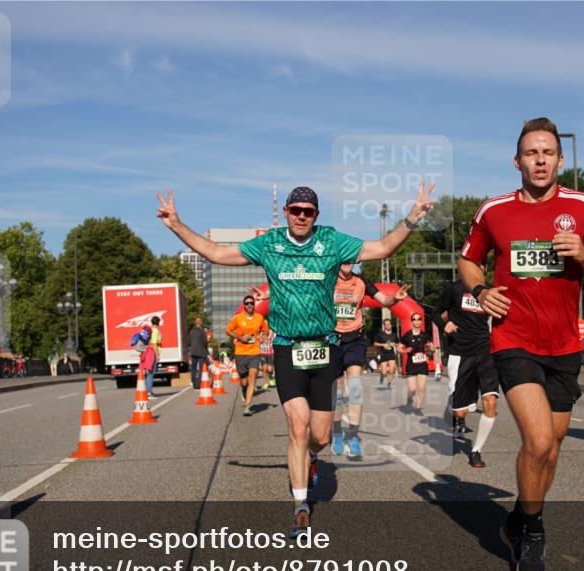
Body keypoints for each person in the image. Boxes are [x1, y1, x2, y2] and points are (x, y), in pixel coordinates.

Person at [157, 183, 434, 537]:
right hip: (288, 348)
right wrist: (177, 224)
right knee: (298, 426)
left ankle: (314, 458)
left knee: (319, 435)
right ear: (286, 211)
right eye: (296, 210)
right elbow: (216, 254)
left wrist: (413, 216)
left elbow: (382, 248)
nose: (302, 216)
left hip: (325, 348)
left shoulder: (332, 242)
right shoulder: (269, 244)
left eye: (309, 211)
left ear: (316, 215)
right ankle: (300, 505)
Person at [458, 117, 584, 571]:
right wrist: (482, 289)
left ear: (560, 159)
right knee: (538, 441)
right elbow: (469, 260)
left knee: (551, 451)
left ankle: (516, 520)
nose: (541, 160)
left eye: (548, 152)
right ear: (517, 161)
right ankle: (533, 533)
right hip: (513, 337)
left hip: (566, 343)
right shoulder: (494, 211)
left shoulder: (582, 206)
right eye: (531, 153)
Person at [330, 263, 409, 460]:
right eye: (345, 258)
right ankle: (337, 431)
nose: (348, 262)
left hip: (355, 340)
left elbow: (384, 299)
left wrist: (394, 299)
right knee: (338, 393)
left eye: (352, 259)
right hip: (332, 340)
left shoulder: (361, 281)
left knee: (355, 387)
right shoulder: (328, 277)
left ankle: (353, 435)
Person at [437, 272, 500, 468]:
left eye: (481, 266)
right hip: (460, 353)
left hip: (485, 352)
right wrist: (444, 324)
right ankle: (454, 410)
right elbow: (436, 312)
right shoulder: (454, 288)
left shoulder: (491, 292)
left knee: (490, 401)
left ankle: (476, 451)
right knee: (460, 412)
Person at [226, 296, 270, 416]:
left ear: (254, 305)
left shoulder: (259, 318)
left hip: (254, 352)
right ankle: (244, 391)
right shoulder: (238, 318)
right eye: (247, 303)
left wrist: (263, 335)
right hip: (240, 353)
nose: (250, 305)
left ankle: (247, 406)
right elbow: (228, 330)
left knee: (253, 375)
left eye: (252, 303)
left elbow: (265, 330)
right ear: (244, 305)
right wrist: (240, 337)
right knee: (244, 382)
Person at [397, 312, 433, 416]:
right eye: (414, 319)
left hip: (422, 364)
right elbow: (399, 348)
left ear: (421, 321)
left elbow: (431, 347)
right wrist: (405, 351)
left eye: (419, 319)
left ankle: (418, 408)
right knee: (412, 389)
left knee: (421, 388)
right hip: (411, 365)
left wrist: (431, 349)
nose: (417, 321)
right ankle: (409, 398)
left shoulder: (425, 335)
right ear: (412, 321)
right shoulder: (407, 336)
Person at [373, 318, 400, 387]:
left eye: (389, 324)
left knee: (392, 370)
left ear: (391, 325)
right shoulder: (380, 334)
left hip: (391, 353)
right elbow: (375, 343)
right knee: (384, 372)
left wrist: (394, 344)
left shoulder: (394, 335)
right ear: (384, 325)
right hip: (383, 353)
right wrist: (383, 345)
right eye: (386, 324)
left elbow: (398, 343)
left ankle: (389, 384)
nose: (388, 325)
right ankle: (382, 376)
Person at [137, 324, 158, 398]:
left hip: (149, 356)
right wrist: (148, 348)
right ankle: (148, 393)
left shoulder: (143, 338)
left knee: (149, 374)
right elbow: (138, 347)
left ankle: (148, 391)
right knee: (150, 374)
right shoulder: (143, 339)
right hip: (150, 357)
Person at [188, 317, 209, 384]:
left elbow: (189, 342)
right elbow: (205, 343)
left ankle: (193, 382)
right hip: (201, 352)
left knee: (193, 368)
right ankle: (199, 383)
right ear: (201, 323)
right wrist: (208, 340)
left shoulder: (191, 332)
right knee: (201, 369)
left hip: (193, 352)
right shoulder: (202, 332)